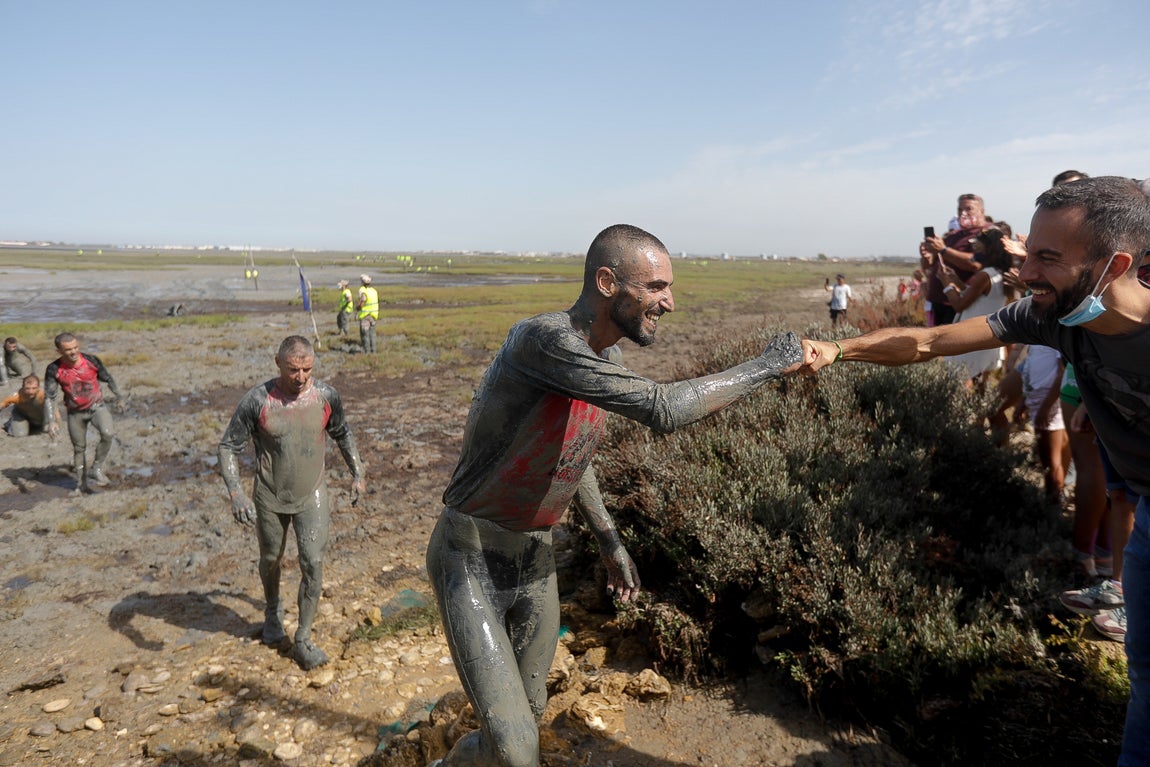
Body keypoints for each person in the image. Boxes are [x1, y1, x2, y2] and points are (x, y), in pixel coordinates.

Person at [799, 176, 1150, 766]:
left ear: (1114, 264)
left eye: (1047, 257)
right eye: (1026, 251)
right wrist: (838, 351)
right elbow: (932, 340)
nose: (1025, 270)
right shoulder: (1052, 317)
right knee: (1143, 664)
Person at [426, 224, 802, 767]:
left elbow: (571, 456)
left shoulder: (607, 363)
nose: (669, 302)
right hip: (472, 555)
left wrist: (609, 541)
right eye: (655, 287)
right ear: (607, 282)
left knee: (519, 730)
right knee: (517, 750)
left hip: (535, 557)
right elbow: (665, 410)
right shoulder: (545, 341)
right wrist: (767, 366)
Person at [217, 335, 366, 670]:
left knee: (312, 562)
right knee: (271, 557)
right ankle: (272, 611)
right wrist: (236, 492)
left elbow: (342, 433)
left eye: (307, 370)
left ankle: (303, 637)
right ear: (277, 363)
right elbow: (228, 447)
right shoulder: (258, 400)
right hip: (269, 496)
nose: (300, 378)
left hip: (312, 494)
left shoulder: (326, 396)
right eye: (293, 370)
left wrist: (358, 471)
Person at [43, 333, 121, 493]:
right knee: (79, 448)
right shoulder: (54, 369)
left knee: (108, 434)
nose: (73, 352)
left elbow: (108, 378)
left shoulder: (91, 360)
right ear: (59, 351)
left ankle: (96, 469)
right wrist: (51, 421)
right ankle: (81, 483)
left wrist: (119, 396)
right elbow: (50, 396)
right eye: (68, 350)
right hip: (75, 413)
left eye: (76, 348)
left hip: (97, 407)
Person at [936, 227, 1011, 384]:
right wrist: (956, 280)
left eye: (978, 243)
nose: (974, 246)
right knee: (981, 384)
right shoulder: (1000, 273)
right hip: (989, 336)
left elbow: (959, 305)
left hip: (973, 337)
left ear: (988, 248)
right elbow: (980, 297)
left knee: (962, 382)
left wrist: (946, 283)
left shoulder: (985, 275)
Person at [922, 193, 992, 326]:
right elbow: (929, 264)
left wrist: (943, 250)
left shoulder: (987, 233)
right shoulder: (955, 234)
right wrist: (926, 254)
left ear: (982, 211)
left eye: (968, 209)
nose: (963, 213)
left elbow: (975, 263)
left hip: (959, 303)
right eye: (960, 210)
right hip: (939, 302)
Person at [355, 274, 379, 353]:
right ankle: (374, 351)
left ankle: (367, 352)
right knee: (372, 334)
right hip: (374, 315)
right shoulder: (374, 291)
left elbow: (362, 302)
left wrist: (357, 308)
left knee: (365, 335)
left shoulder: (363, 291)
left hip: (365, 316)